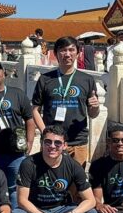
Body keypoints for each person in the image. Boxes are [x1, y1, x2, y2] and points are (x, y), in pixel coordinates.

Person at [12, 125, 101, 213]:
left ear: (64, 146)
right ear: (42, 143)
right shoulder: (28, 164)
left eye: (57, 143)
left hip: (61, 208)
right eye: (48, 142)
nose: (52, 146)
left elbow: (90, 200)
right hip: (36, 210)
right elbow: (22, 200)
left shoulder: (72, 165)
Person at [31, 36, 100, 167]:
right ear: (56, 53)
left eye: (71, 50)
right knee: (48, 180)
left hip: (77, 141)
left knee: (76, 184)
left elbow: (93, 114)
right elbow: (35, 110)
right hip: (52, 142)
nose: (67, 54)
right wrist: (46, 133)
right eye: (62, 50)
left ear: (78, 53)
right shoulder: (45, 79)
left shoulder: (87, 79)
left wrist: (95, 107)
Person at [0, 61, 35, 209]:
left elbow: (30, 120)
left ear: (4, 73)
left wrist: (30, 143)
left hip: (16, 153)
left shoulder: (17, 94)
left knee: (16, 188)